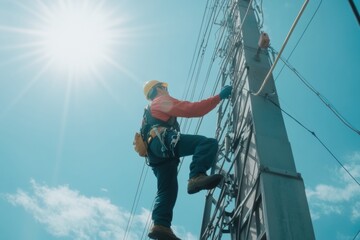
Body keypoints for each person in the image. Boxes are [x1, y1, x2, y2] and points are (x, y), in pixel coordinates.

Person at [140, 80, 232, 240]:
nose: (167, 90)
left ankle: (160, 225)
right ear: (159, 89)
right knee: (207, 144)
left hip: (156, 154)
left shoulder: (150, 111)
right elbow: (192, 109)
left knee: (167, 190)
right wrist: (219, 97)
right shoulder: (161, 101)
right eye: (165, 87)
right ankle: (196, 176)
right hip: (162, 141)